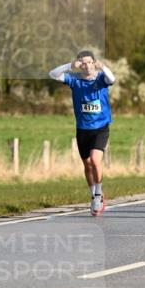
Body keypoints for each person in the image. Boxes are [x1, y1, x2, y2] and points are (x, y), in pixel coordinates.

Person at [49, 51, 116, 215]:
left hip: (100, 127)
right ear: (79, 65)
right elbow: (52, 74)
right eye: (83, 63)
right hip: (82, 129)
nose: (86, 65)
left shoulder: (101, 79)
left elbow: (112, 79)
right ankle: (93, 194)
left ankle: (99, 193)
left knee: (95, 160)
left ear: (94, 63)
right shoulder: (75, 81)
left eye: (89, 62)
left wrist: (104, 66)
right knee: (87, 165)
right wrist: (69, 66)